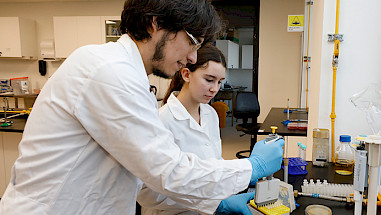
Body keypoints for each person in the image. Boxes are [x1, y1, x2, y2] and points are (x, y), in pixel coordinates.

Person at [0, 0, 284, 214]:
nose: (192, 56)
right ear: (155, 23)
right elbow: (169, 171)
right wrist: (250, 167)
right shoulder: (108, 71)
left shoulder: (132, 79)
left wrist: (215, 203)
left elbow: (148, 178)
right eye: (192, 40)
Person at [138, 44, 254, 215]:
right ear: (186, 74)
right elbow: (147, 192)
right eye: (209, 80)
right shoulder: (161, 121)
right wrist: (213, 203)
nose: (215, 89)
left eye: (219, 82)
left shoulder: (210, 114)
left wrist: (235, 181)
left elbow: (214, 162)